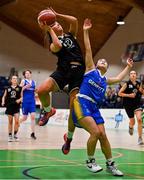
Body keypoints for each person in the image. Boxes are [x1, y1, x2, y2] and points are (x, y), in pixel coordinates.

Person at [71, 18, 134, 176]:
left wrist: (128, 66)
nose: (103, 61)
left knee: (103, 135)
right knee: (96, 133)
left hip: (94, 108)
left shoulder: (105, 80)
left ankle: (110, 164)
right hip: (82, 102)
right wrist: (85, 31)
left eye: (106, 61)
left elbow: (119, 78)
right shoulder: (91, 69)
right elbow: (88, 49)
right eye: (101, 60)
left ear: (107, 67)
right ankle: (90, 161)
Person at [37, 8, 85, 147]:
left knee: (73, 107)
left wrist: (56, 15)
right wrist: (48, 29)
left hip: (77, 71)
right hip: (63, 71)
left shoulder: (71, 36)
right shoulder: (53, 45)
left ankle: (68, 139)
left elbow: (75, 21)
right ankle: (48, 110)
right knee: (41, 90)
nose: (57, 24)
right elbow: (58, 44)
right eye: (54, 25)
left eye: (57, 23)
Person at [118, 70, 144, 145]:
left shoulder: (139, 84)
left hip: (137, 104)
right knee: (132, 121)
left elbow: (142, 92)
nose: (133, 75)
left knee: (139, 119)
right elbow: (119, 93)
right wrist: (129, 95)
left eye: (134, 73)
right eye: (131, 73)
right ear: (129, 76)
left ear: (136, 75)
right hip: (128, 105)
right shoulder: (126, 84)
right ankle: (130, 126)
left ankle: (140, 138)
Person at [2, 75, 22, 142]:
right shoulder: (7, 88)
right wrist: (3, 101)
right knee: (10, 122)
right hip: (9, 106)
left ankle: (15, 135)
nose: (15, 79)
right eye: (13, 78)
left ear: (17, 80)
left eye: (16, 78)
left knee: (16, 121)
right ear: (11, 80)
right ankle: (10, 136)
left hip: (16, 107)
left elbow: (22, 96)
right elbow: (4, 96)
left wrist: (19, 100)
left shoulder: (20, 88)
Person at [20, 70, 37, 140]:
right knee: (24, 118)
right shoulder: (23, 81)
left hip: (32, 101)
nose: (27, 74)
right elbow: (19, 90)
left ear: (30, 74)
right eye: (26, 73)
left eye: (28, 73)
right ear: (24, 75)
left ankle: (33, 133)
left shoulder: (34, 82)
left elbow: (35, 91)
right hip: (25, 101)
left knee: (33, 116)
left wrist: (36, 93)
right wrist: (25, 87)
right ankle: (17, 123)